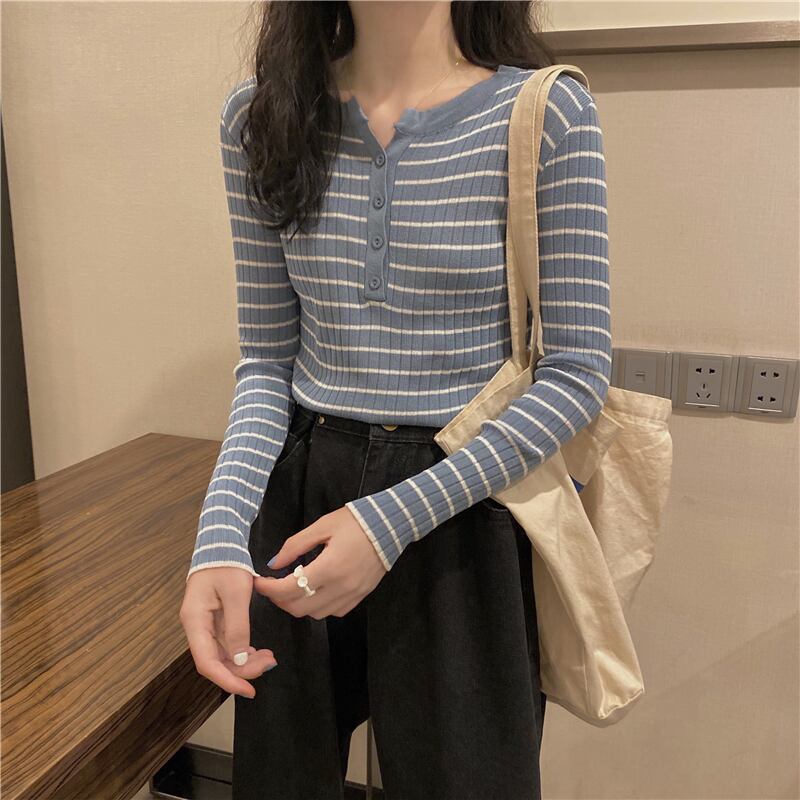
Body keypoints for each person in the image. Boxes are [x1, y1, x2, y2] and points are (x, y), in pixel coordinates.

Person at [180, 2, 611, 798]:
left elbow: (577, 375)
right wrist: (218, 540)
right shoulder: (260, 117)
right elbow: (268, 363)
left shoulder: (546, 113)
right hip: (303, 495)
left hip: (464, 503)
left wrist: (389, 523)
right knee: (281, 784)